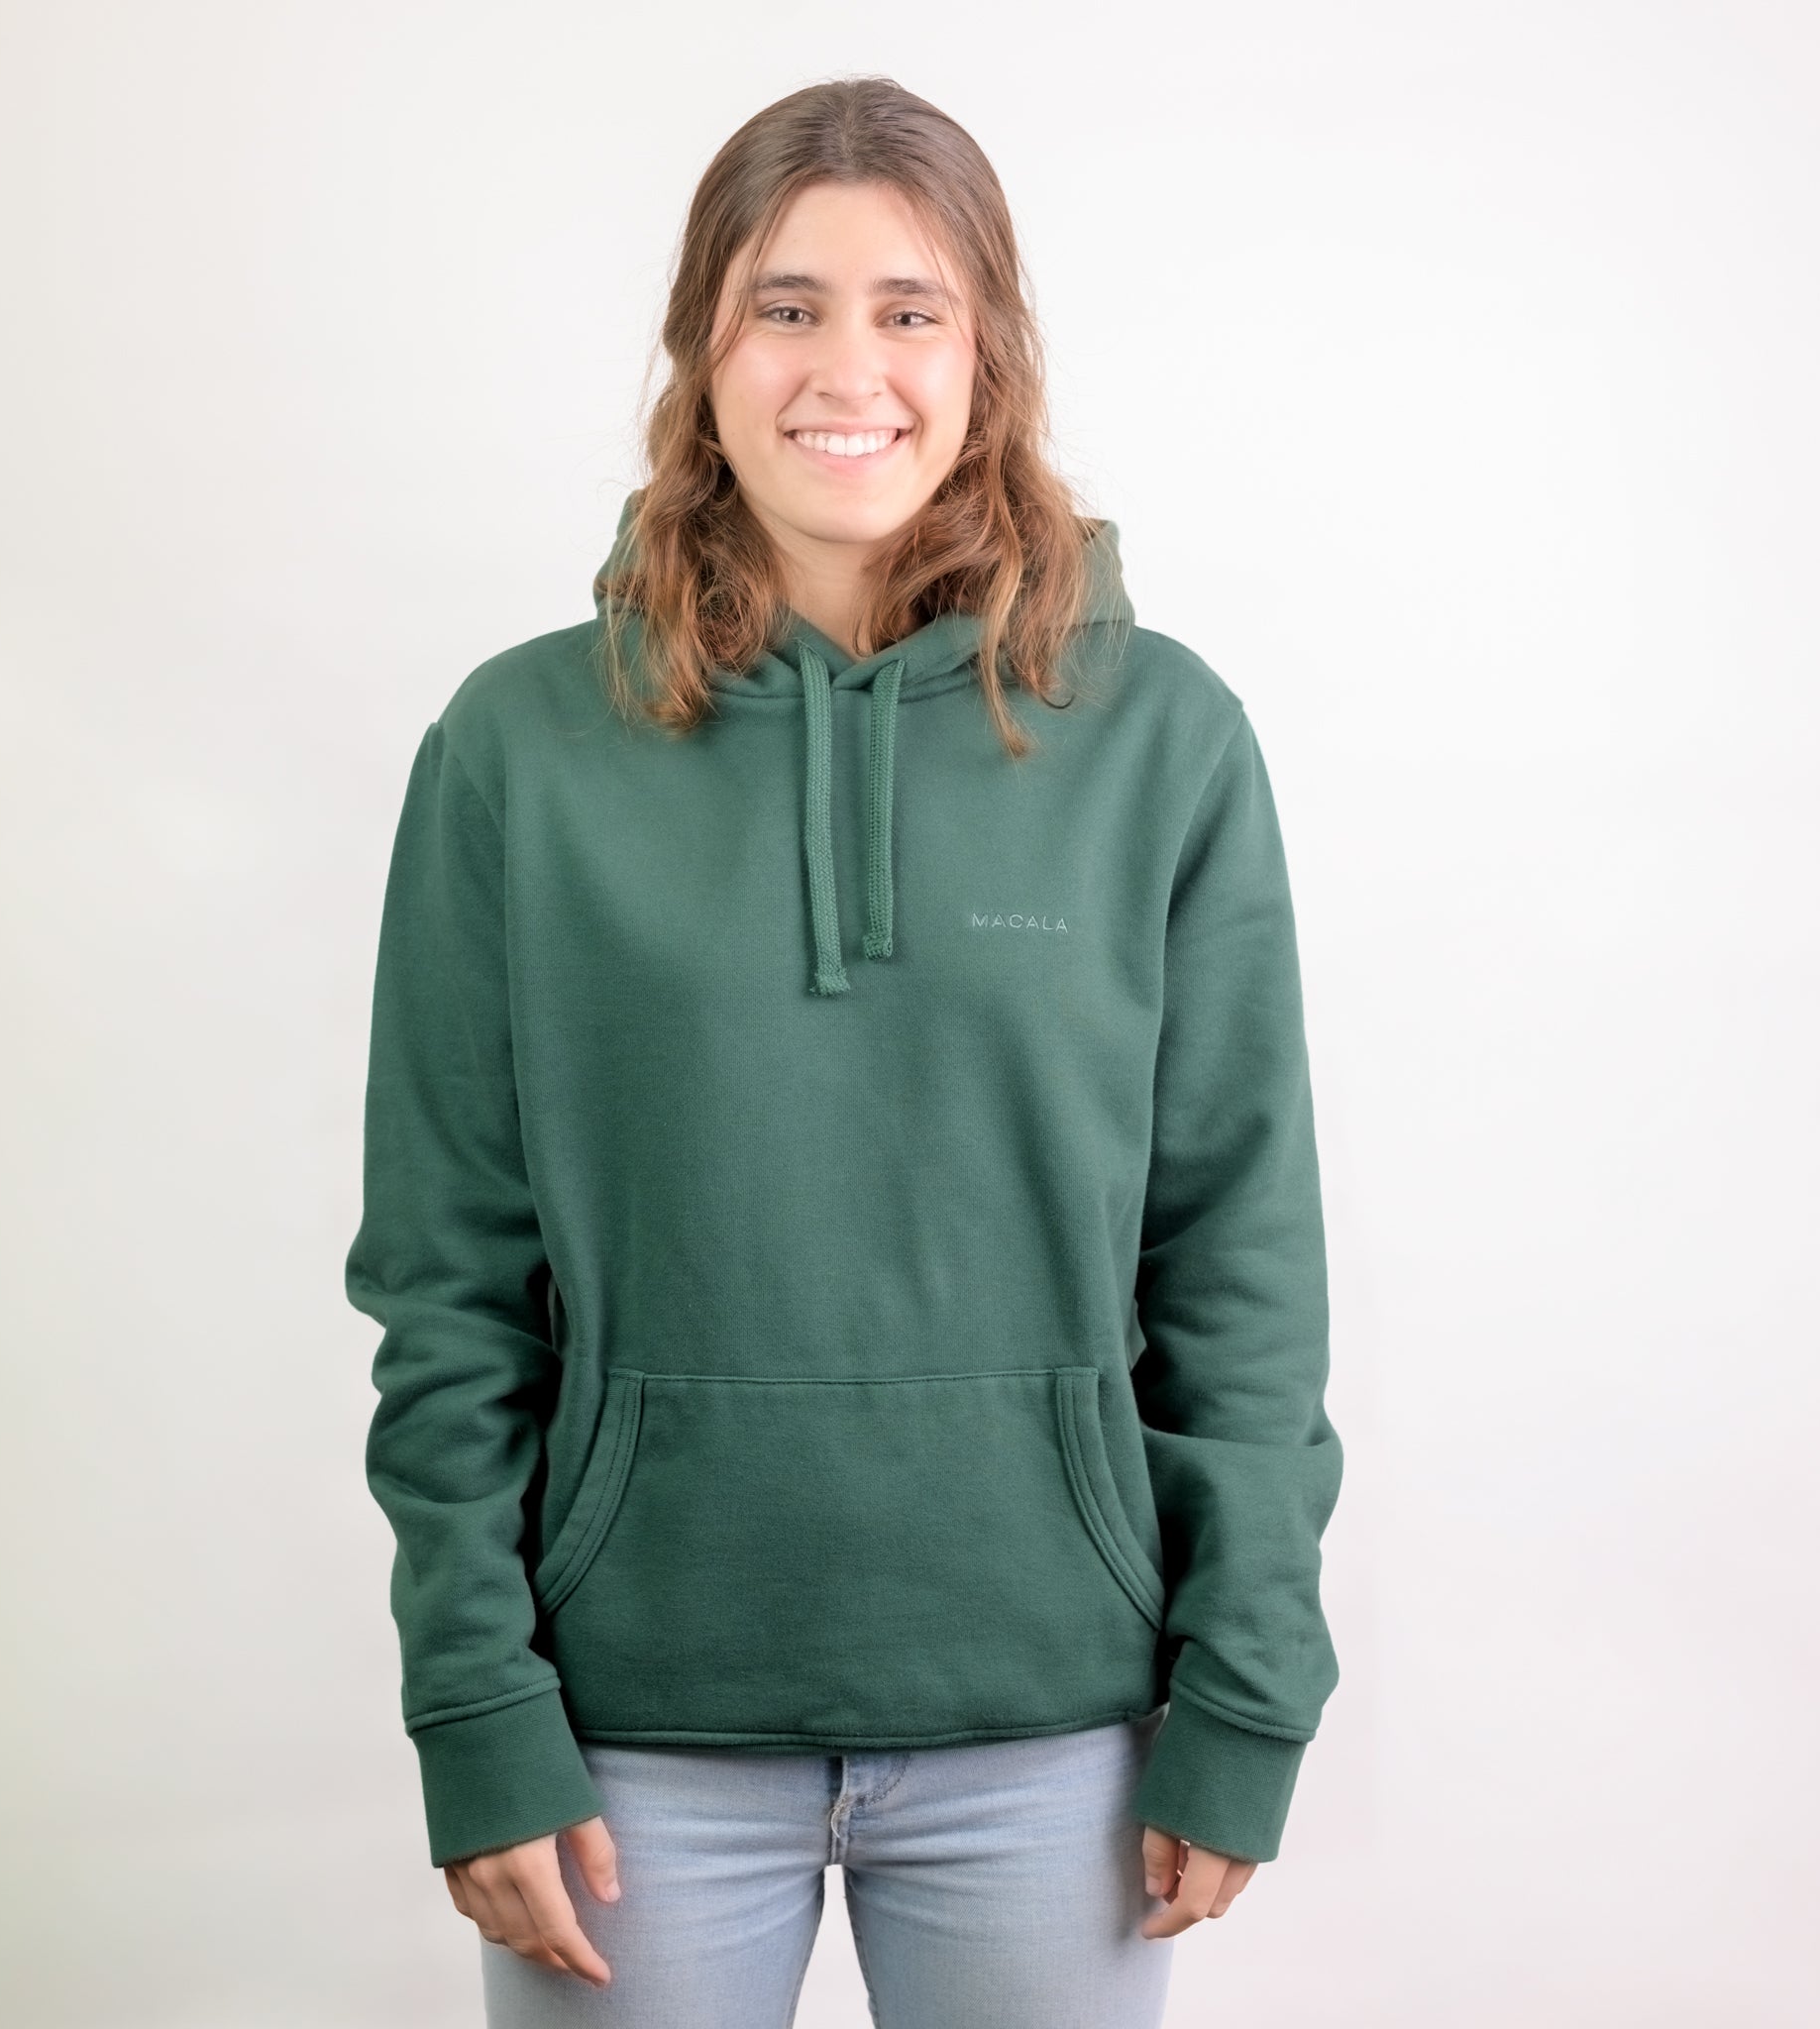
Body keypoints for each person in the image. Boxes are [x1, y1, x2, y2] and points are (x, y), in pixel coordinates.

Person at [344, 75, 1343, 2029]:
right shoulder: (518, 752)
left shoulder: (1160, 741)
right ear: (702, 350)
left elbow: (1239, 1259)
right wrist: (474, 1704)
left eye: (910, 310)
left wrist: (1247, 1691)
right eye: (785, 308)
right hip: (623, 1742)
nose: (846, 369)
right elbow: (446, 1281)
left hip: (1058, 1735)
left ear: (989, 356)